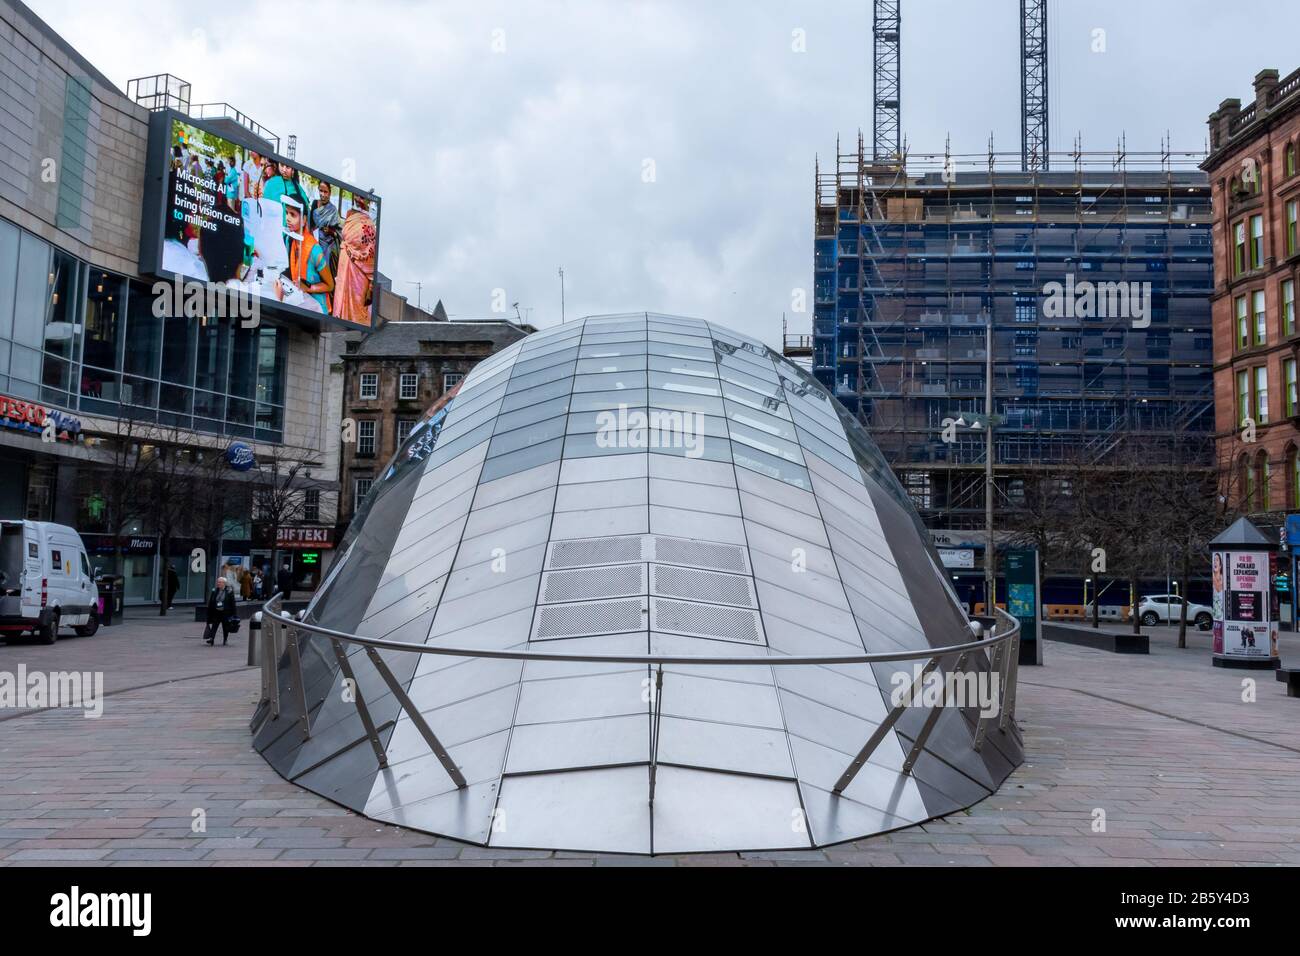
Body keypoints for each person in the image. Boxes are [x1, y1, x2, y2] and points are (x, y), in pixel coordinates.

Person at [277, 197, 333, 312]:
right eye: (286, 213)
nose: (287, 218)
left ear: (303, 220)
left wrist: (308, 287)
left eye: (293, 215)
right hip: (299, 301)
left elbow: (330, 285)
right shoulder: (291, 240)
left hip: (317, 308)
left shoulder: (315, 250)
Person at [332, 198, 377, 325]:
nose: (358, 200)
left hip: (360, 275)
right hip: (344, 263)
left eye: (362, 198)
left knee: (357, 312)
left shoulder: (369, 225)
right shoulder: (350, 215)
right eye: (357, 197)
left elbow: (370, 254)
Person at [203, 576, 237, 646]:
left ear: (224, 583)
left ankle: (225, 639)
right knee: (214, 626)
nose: (218, 583)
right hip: (216, 612)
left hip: (226, 612)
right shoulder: (214, 591)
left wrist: (234, 614)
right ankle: (211, 639)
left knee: (225, 627)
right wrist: (209, 611)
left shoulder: (229, 592)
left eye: (220, 582)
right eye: (218, 582)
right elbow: (211, 602)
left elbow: (233, 603)